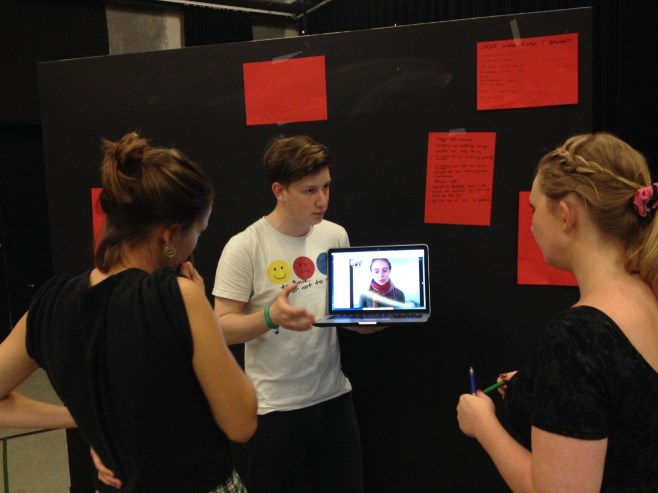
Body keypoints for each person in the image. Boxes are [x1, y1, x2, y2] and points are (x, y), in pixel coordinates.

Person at [0, 132, 257, 492]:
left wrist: (87, 419)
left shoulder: (50, 305)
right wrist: (201, 311)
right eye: (198, 230)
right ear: (168, 235)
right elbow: (241, 422)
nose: (195, 243)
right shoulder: (177, 297)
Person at [456, 132, 658, 492]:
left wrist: (484, 425)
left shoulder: (577, 336)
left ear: (566, 215)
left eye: (534, 209)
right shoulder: (648, 293)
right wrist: (547, 385)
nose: (531, 223)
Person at [213, 135, 368, 493]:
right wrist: (270, 317)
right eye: (309, 190)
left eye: (326, 186)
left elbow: (339, 313)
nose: (322, 200)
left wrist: (366, 324)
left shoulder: (335, 234)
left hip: (333, 399)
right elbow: (220, 328)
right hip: (273, 411)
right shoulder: (245, 246)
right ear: (279, 191)